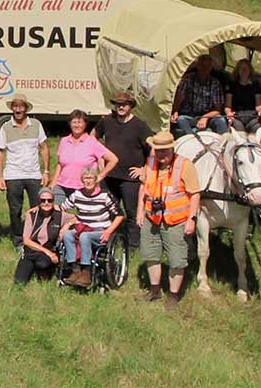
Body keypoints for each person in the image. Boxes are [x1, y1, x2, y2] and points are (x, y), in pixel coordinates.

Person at [137, 131, 201, 309]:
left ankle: (173, 296)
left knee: (176, 259)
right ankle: (155, 290)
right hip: (152, 218)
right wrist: (140, 212)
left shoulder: (185, 165)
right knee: (151, 255)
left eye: (164, 151)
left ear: (172, 148)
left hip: (176, 220)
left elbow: (195, 194)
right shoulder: (150, 163)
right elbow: (143, 189)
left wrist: (191, 219)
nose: (160, 154)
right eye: (157, 151)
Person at [92, 90, 152, 248]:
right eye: (118, 104)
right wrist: (100, 157)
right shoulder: (107, 121)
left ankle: (133, 246)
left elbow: (152, 150)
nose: (120, 107)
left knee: (132, 213)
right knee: (108, 211)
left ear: (130, 106)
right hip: (109, 175)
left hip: (130, 178)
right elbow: (93, 137)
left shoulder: (140, 125)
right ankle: (108, 241)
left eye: (124, 104)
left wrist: (144, 169)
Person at [0, 93, 49, 248]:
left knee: (38, 208)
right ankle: (18, 240)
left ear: (25, 108)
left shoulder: (36, 124)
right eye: (15, 106)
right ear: (12, 108)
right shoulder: (6, 127)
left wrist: (46, 171)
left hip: (33, 174)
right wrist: (0, 177)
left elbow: (44, 148)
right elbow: (0, 154)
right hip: (13, 175)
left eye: (21, 106)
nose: (18, 109)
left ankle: (36, 238)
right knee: (15, 210)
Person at [60, 167, 125, 288]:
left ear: (96, 180)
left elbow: (120, 215)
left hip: (100, 230)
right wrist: (67, 225)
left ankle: (86, 271)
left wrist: (109, 231)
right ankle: (74, 269)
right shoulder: (77, 194)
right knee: (68, 235)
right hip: (82, 227)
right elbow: (61, 208)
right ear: (82, 180)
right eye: (85, 178)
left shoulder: (105, 196)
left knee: (85, 237)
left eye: (90, 178)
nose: (88, 181)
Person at [49, 110, 118, 205]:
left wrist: (100, 176)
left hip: (84, 187)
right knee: (58, 214)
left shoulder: (92, 142)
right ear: (70, 124)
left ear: (85, 124)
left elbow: (113, 159)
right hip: (62, 186)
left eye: (80, 122)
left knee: (85, 216)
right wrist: (53, 183)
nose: (77, 125)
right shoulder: (64, 141)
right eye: (74, 122)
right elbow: (60, 165)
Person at [14, 187, 72, 285]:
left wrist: (67, 225)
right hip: (31, 252)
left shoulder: (60, 215)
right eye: (43, 200)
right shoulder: (31, 215)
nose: (46, 203)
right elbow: (26, 240)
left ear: (53, 201)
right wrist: (48, 252)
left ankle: (44, 271)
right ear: (39, 202)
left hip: (47, 254)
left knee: (42, 264)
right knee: (19, 282)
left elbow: (78, 218)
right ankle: (31, 269)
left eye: (49, 200)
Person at [171, 54, 227, 135]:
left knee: (221, 120)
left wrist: (205, 117)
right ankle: (192, 139)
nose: (205, 69)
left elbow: (218, 110)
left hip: (208, 116)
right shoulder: (188, 79)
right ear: (197, 66)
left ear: (211, 68)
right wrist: (175, 112)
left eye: (207, 66)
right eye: (202, 66)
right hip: (190, 116)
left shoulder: (215, 83)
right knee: (181, 119)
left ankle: (225, 143)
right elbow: (179, 99)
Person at [225, 58, 261, 134]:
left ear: (250, 70)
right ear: (238, 70)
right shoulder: (232, 85)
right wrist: (228, 113)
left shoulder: (255, 85)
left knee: (257, 129)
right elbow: (228, 106)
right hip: (237, 116)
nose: (244, 70)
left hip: (252, 116)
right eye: (241, 68)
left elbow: (259, 105)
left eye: (246, 68)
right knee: (239, 133)